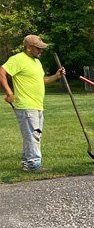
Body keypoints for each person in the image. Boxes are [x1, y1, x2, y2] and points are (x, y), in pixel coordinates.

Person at [0, 34, 65, 172]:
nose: (40, 51)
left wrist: (57, 76)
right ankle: (34, 165)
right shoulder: (18, 59)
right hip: (25, 105)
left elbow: (42, 80)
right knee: (33, 134)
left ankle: (27, 163)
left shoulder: (36, 62)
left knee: (33, 135)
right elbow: (2, 72)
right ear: (28, 48)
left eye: (41, 48)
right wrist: (9, 92)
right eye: (38, 48)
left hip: (37, 105)